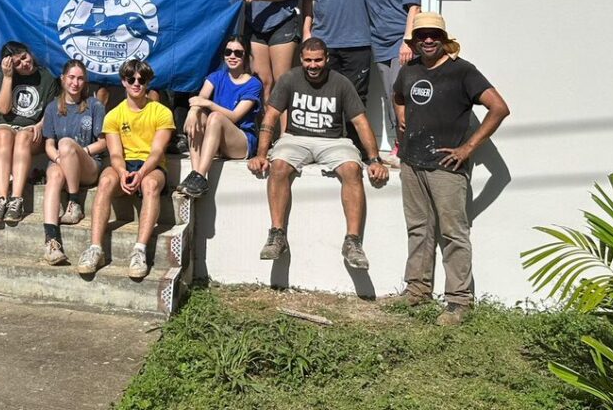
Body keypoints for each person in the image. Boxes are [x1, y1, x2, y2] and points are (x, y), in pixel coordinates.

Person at [393, 12, 509, 325]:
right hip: (411, 162)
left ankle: (459, 301)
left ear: (444, 39)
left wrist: (468, 148)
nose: (428, 40)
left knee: (453, 233)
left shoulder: (463, 72)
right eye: (422, 35)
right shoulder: (410, 69)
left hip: (446, 166)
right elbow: (398, 95)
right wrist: (400, 116)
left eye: (434, 35)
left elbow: (499, 108)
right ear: (415, 41)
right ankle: (417, 290)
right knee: (419, 228)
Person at [248, 38, 389, 269]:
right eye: (308, 60)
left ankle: (353, 242)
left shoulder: (341, 82)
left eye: (318, 60)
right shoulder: (289, 79)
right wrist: (261, 154)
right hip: (296, 138)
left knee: (352, 169)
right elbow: (271, 116)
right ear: (301, 59)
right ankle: (277, 235)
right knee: (279, 165)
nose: (313, 65)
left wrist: (374, 159)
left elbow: (361, 122)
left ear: (327, 59)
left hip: (333, 140)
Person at [77, 59, 175, 279]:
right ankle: (95, 248)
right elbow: (114, 154)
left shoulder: (161, 112)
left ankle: (139, 250)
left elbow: (157, 152)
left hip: (151, 166)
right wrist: (122, 173)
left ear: (148, 82)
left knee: (150, 184)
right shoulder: (113, 115)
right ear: (123, 81)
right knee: (105, 180)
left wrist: (141, 173)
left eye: (142, 79)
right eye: (131, 79)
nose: (136, 83)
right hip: (125, 164)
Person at [40, 59, 107, 265]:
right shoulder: (52, 108)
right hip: (62, 162)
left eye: (80, 78)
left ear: (85, 82)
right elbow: (48, 145)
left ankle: (74, 202)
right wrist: (60, 158)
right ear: (62, 79)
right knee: (53, 174)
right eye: (71, 77)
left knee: (66, 144)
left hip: (88, 165)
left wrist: (79, 152)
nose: (75, 83)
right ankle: (51, 242)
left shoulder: (94, 105)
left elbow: (103, 142)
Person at [364, 0, 421, 166]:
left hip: (401, 42)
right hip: (379, 43)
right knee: (390, 96)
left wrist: (408, 40)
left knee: (402, 96)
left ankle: (409, 148)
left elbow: (414, 7)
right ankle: (399, 145)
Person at [179, 35, 262, 198]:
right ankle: (195, 175)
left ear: (246, 55)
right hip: (217, 139)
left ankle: (200, 176)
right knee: (200, 116)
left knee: (215, 116)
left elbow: (235, 116)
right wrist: (193, 111)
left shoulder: (254, 84)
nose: (232, 56)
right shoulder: (216, 76)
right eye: (228, 52)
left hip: (241, 142)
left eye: (238, 53)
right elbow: (200, 98)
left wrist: (208, 104)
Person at [0, 42, 59, 226]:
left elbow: (51, 110)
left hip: (31, 129)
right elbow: (3, 108)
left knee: (23, 136)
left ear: (30, 53)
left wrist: (40, 125)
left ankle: (16, 200)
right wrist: (8, 77)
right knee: (4, 135)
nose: (24, 63)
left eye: (24, 57)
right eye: (17, 63)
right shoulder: (3, 76)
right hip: (5, 127)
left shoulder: (47, 77)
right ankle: (1, 199)